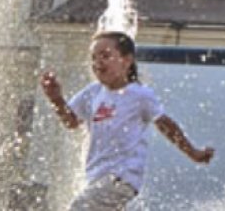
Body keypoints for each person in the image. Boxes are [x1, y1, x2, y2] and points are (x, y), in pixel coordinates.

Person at [40, 31, 214, 210]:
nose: (98, 62)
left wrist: (193, 152)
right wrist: (56, 99)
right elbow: (71, 122)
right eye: (94, 58)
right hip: (96, 178)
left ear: (127, 60)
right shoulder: (93, 92)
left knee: (80, 207)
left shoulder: (139, 95)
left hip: (121, 178)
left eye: (106, 56)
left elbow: (165, 125)